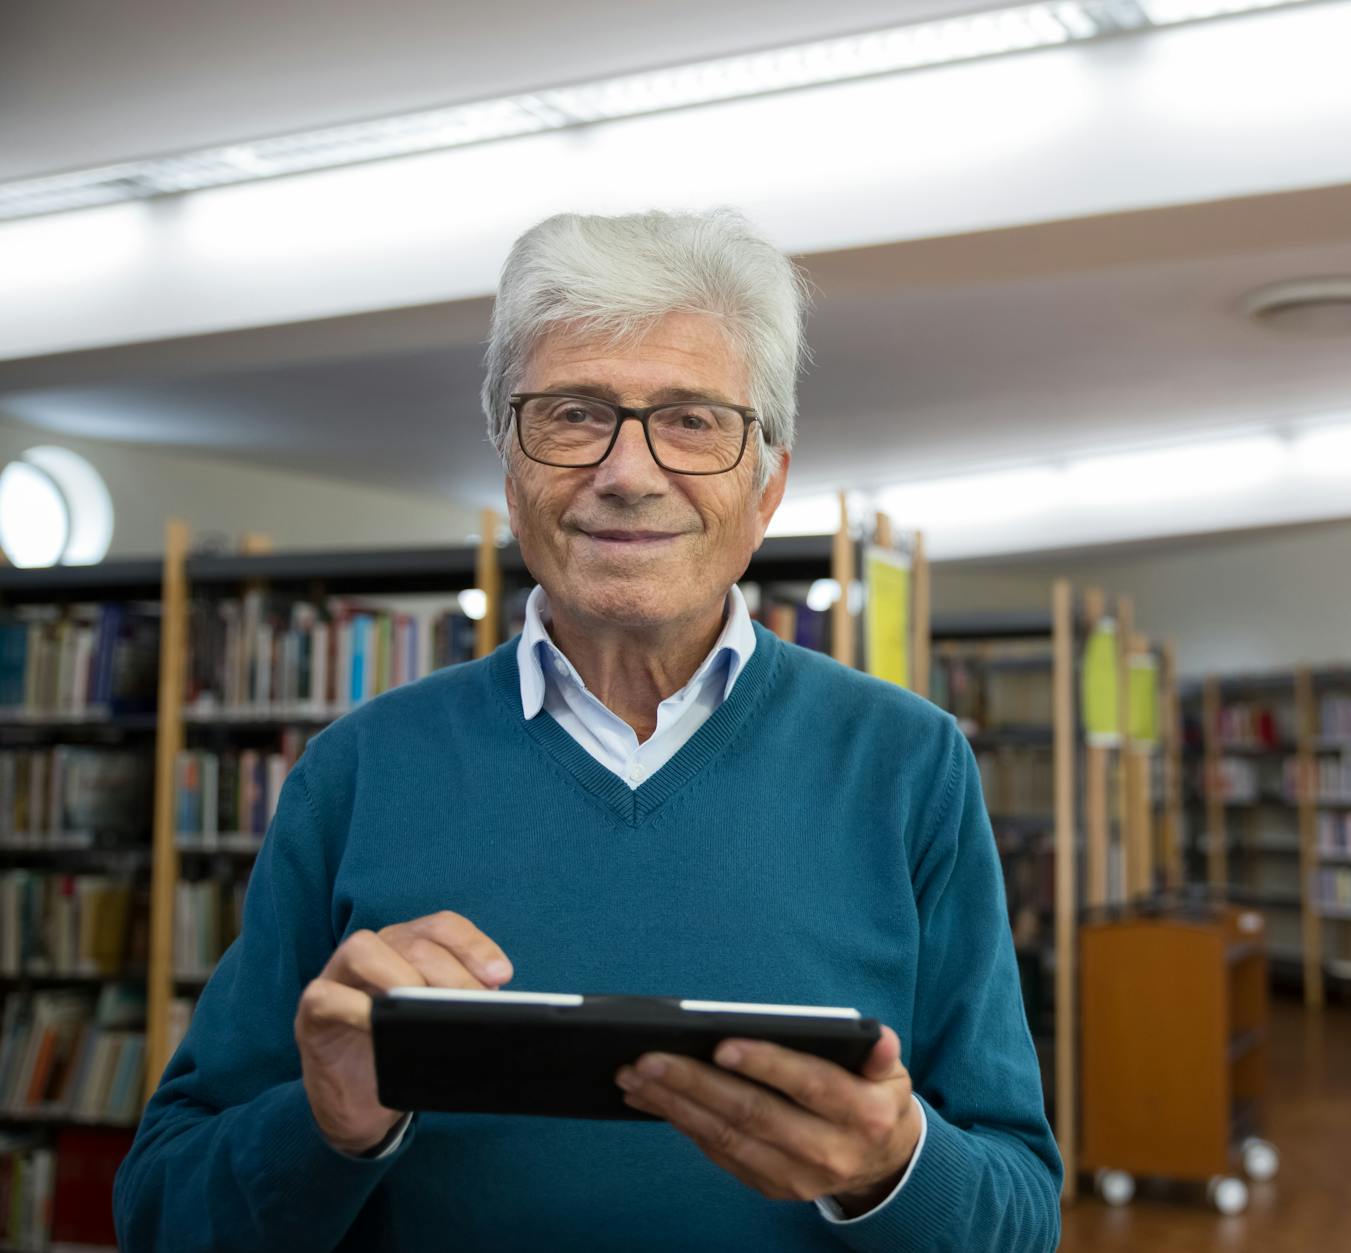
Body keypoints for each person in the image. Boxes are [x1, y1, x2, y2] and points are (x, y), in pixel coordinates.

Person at [113, 209, 1062, 1251]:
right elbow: (164, 1210)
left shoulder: (906, 764)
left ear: (767, 486)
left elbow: (1019, 1214)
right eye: (573, 414)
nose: (628, 469)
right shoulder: (358, 768)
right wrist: (329, 1123)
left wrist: (892, 1167)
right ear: (508, 471)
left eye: (694, 419)